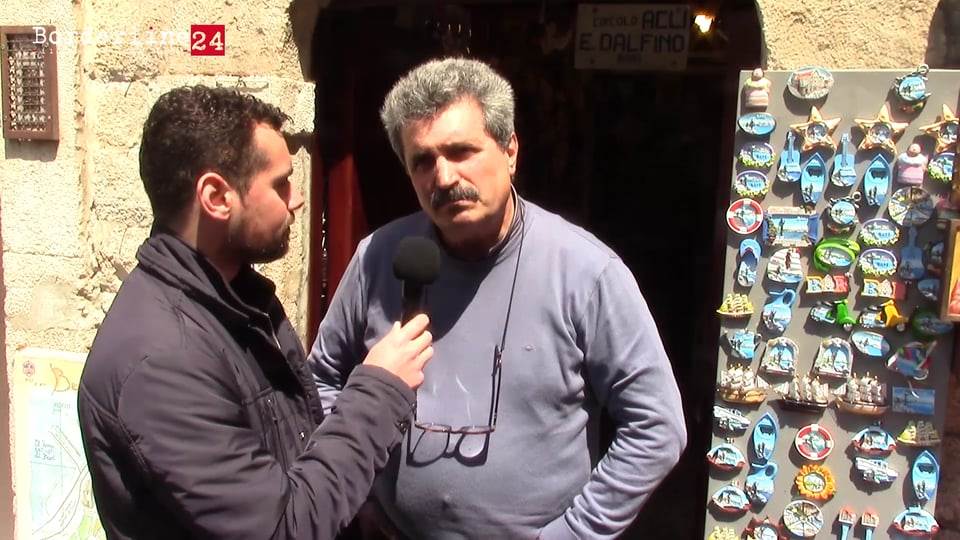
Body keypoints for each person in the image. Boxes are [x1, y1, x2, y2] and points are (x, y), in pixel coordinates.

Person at [309, 58, 686, 539]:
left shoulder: (586, 272)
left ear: (510, 151)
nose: (444, 177)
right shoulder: (377, 258)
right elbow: (320, 381)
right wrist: (353, 488)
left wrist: (573, 534)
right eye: (422, 160)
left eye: (461, 151)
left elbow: (657, 427)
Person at [77, 86, 434, 540]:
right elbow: (280, 528)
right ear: (216, 196)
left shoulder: (237, 301)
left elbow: (290, 458)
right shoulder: (161, 364)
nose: (297, 199)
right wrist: (379, 391)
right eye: (280, 183)